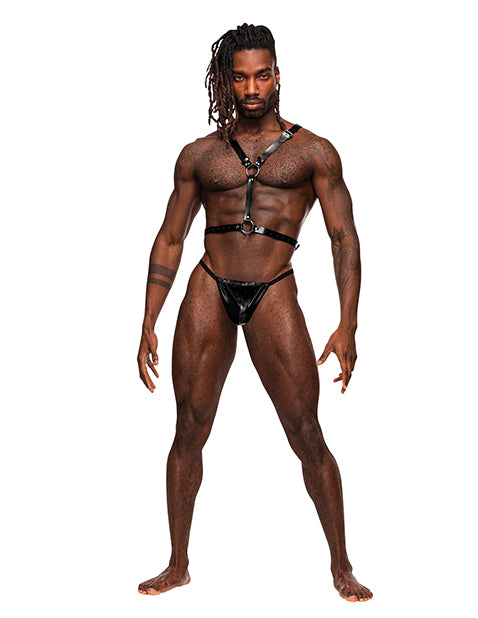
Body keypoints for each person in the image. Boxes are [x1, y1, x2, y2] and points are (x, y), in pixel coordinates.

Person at [137, 23, 372, 602]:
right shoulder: (198, 156)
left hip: (273, 288)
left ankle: (342, 565)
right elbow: (171, 237)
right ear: (227, 81)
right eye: (240, 78)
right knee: (188, 426)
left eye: (261, 75)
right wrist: (147, 319)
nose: (251, 88)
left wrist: (348, 323)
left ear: (277, 76)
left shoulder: (314, 151)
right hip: (208, 286)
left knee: (306, 431)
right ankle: (177, 563)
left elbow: (343, 237)